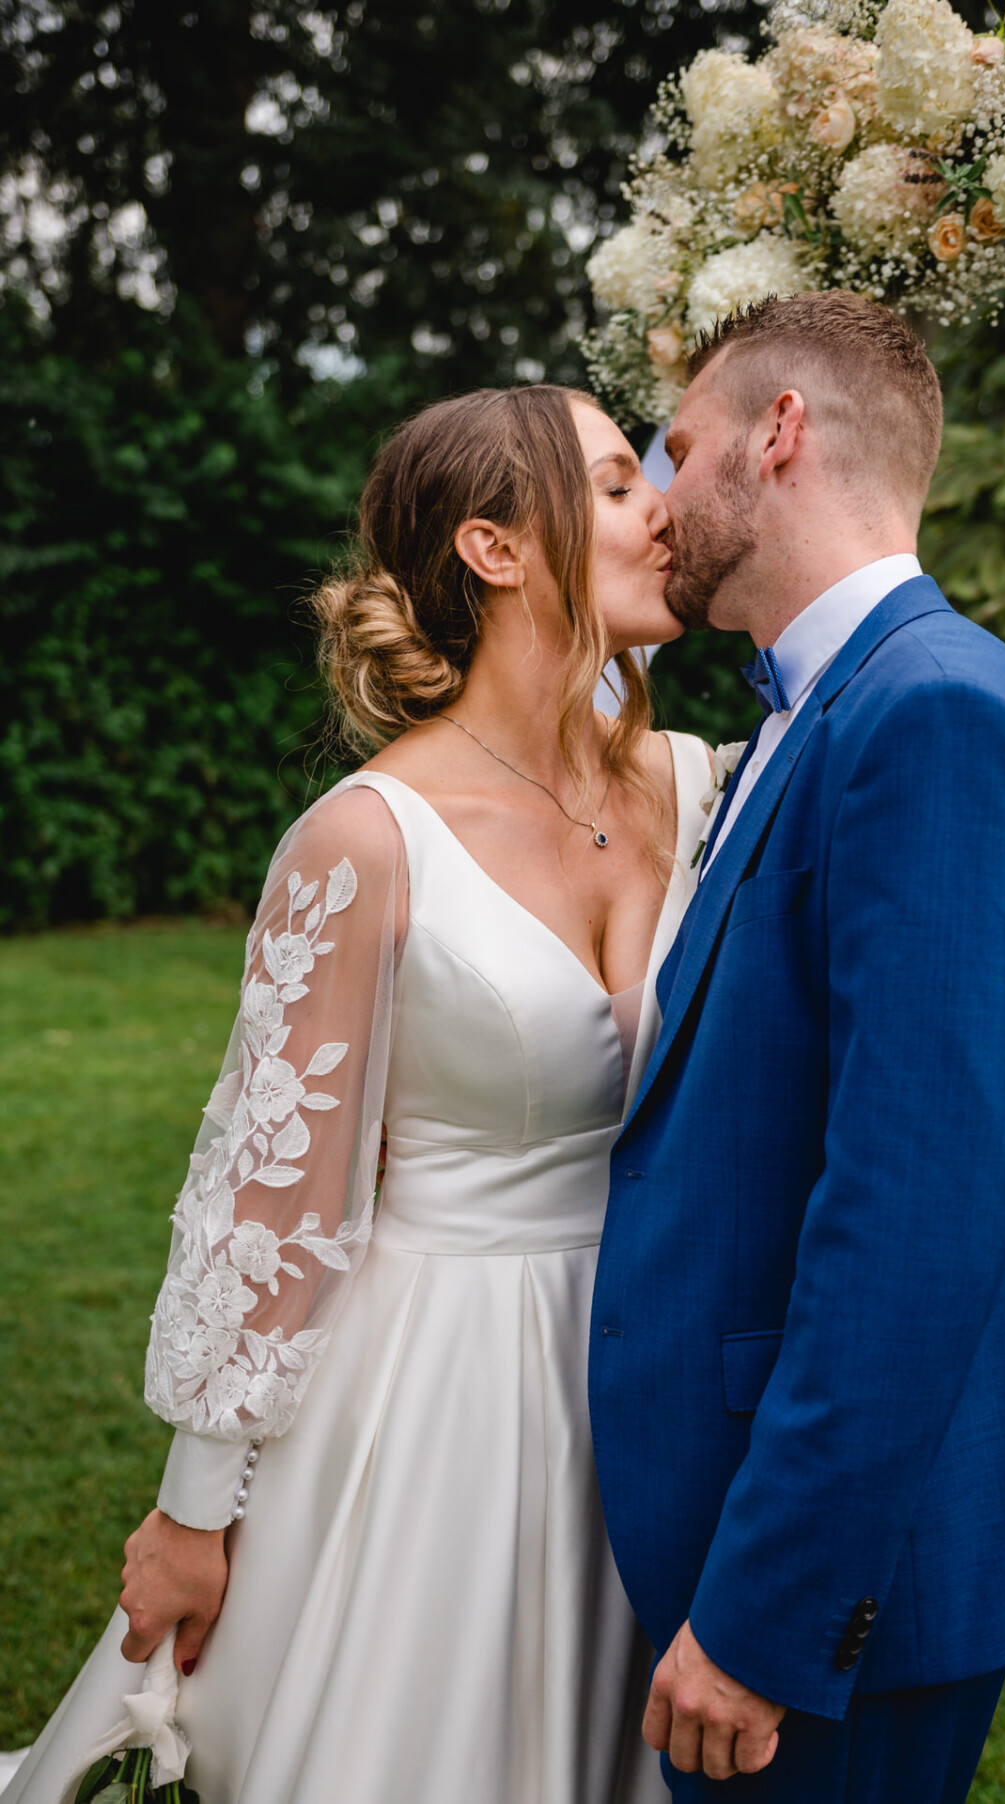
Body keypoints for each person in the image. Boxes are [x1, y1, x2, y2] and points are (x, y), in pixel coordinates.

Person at [7, 384, 711, 1804]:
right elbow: (273, 1199)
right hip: (441, 1389)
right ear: (495, 549)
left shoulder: (704, 790)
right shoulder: (367, 840)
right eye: (617, 484)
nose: (667, 511)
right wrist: (194, 1512)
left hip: (656, 1375)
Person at [589, 292, 1005, 1802]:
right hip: (762, 1515)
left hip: (844, 1583)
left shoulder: (935, 717)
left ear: (781, 433)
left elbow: (919, 1214)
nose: (661, 496)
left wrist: (771, 1613)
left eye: (680, 448)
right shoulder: (830, 708)